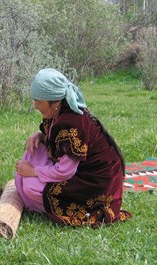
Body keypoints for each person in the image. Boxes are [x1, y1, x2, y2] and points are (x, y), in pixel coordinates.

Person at [15, 68, 131, 227]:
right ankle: (36, 198)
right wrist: (40, 136)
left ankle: (45, 205)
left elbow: (65, 171)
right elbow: (56, 142)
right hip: (77, 168)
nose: (35, 105)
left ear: (55, 102)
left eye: (38, 101)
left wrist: (33, 171)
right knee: (31, 154)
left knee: (31, 188)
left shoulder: (71, 124)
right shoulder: (57, 113)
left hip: (94, 182)